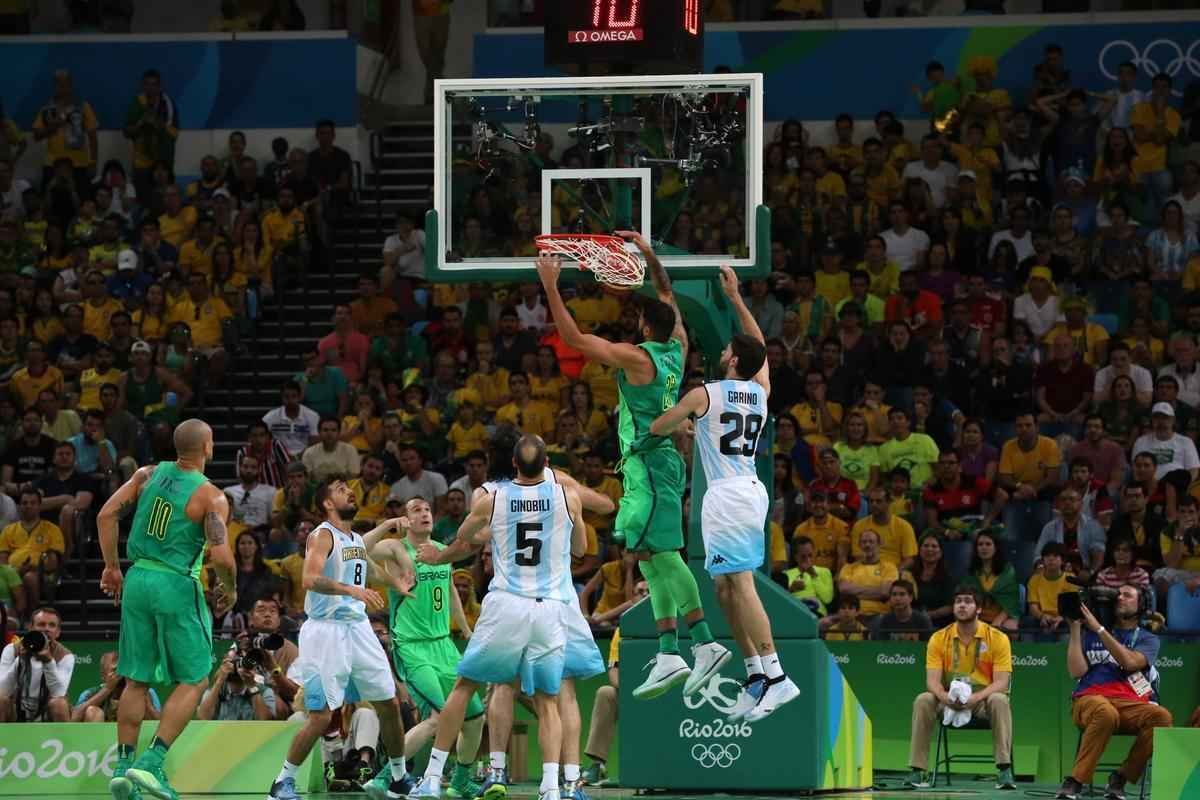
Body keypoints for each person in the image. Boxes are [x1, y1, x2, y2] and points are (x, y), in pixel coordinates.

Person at [536, 238, 728, 701]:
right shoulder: (678, 346)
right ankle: (668, 651)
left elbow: (576, 340)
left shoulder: (639, 357)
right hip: (648, 467)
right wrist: (646, 252)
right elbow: (666, 291)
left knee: (664, 555)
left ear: (643, 326)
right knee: (645, 555)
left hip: (654, 463)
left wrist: (550, 286)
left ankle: (705, 644)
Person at [650, 265, 799, 722]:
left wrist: (665, 410)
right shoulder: (760, 390)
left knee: (741, 584)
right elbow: (760, 350)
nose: (724, 349)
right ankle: (755, 674)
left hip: (730, 495)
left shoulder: (705, 393)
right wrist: (736, 299)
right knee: (723, 587)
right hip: (741, 492)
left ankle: (777, 676)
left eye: (728, 348)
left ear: (733, 360)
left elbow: (659, 426)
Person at [408, 435, 587, 800]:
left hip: (506, 604)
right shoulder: (569, 497)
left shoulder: (493, 499)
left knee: (464, 688)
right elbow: (581, 549)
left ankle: (431, 778)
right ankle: (552, 788)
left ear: (514, 465)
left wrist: (491, 532)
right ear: (548, 462)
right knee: (548, 699)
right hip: (549, 606)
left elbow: (462, 537)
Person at [96, 419, 238, 800]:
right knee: (195, 679)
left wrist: (112, 567)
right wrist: (231, 589)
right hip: (176, 582)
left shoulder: (147, 474)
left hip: (138, 580)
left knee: (135, 678)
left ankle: (123, 769)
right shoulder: (211, 496)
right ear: (207, 447)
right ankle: (151, 763)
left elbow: (106, 515)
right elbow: (222, 555)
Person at [266, 476, 414, 800]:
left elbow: (369, 570)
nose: (349, 491)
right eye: (340, 490)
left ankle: (400, 778)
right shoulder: (322, 535)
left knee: (389, 703)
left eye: (349, 488)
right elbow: (309, 578)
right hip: (325, 630)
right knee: (320, 717)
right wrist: (351, 590)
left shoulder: (354, 539)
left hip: (358, 628)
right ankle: (282, 783)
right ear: (328, 504)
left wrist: (396, 584)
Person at [360, 497, 484, 800]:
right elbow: (359, 548)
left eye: (427, 509)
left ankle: (460, 780)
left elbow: (451, 591)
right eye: (416, 510)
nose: (424, 513)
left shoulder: (442, 551)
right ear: (406, 519)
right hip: (412, 646)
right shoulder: (395, 548)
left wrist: (465, 629)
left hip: (444, 645)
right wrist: (389, 525)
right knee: (439, 717)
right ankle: (386, 777)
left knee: (475, 716)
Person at [1056, 585, 1172, 800]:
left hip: (1129, 703)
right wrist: (1074, 629)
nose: (1120, 597)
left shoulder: (1148, 639)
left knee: (1161, 717)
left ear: (1142, 605)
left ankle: (1120, 777)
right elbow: (1076, 671)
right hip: (1089, 700)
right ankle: (1075, 781)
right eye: (1118, 594)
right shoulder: (1088, 633)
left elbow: (1129, 663)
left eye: (1127, 595)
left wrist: (1100, 629)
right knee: (1105, 712)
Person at [905, 586, 1015, 790]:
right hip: (949, 699)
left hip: (982, 701)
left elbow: (1002, 683)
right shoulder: (939, 638)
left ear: (979, 608)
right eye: (958, 601)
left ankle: (1004, 769)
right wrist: (944, 697)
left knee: (1000, 699)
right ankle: (917, 770)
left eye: (968, 601)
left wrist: (976, 697)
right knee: (923, 699)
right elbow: (932, 681)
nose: (962, 605)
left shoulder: (998, 638)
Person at [0, 606, 74, 722]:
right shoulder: (12, 650)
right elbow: (3, 690)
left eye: (52, 625)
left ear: (58, 632)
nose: (46, 629)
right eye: (41, 624)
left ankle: (63, 740)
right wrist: (20, 661)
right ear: (30, 628)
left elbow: (58, 693)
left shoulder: (65, 656)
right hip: (16, 710)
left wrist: (48, 661)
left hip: (46, 712)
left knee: (59, 703)